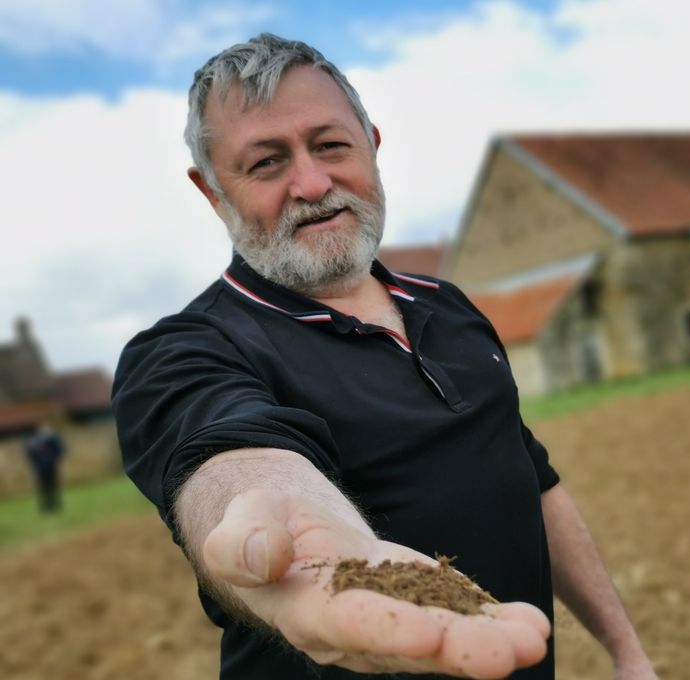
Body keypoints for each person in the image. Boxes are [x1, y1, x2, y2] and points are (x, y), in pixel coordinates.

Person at [112, 33, 656, 680]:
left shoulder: (449, 308)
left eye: (331, 145)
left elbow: (530, 482)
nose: (311, 183)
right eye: (265, 163)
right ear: (212, 193)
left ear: (371, 142)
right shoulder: (185, 351)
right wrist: (274, 510)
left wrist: (626, 651)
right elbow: (225, 451)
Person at [24, 423, 66, 513]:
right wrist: (36, 463)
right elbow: (30, 454)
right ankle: (46, 505)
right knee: (43, 487)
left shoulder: (51, 440)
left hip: (50, 466)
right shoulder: (32, 442)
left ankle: (55, 504)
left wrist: (53, 459)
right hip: (40, 468)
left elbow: (60, 450)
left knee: (53, 486)